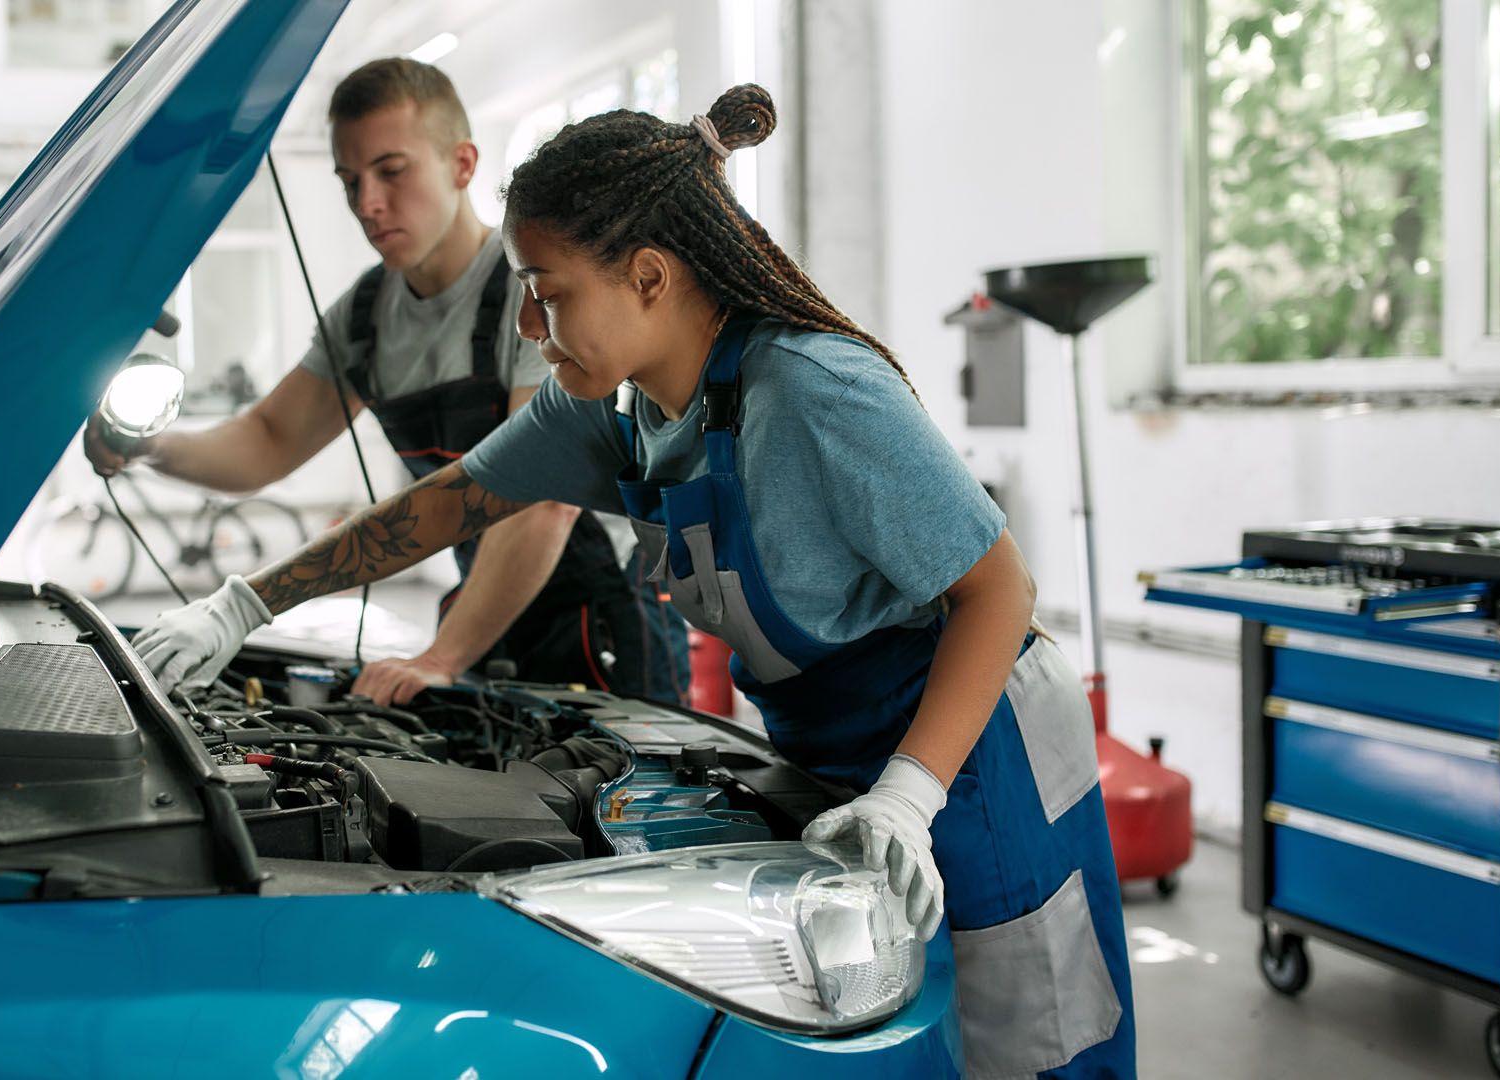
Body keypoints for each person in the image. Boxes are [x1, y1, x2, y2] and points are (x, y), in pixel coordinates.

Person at [129, 84, 1134, 1077]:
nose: (530, 325)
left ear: (650, 278)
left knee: (1028, 1039)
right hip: (839, 747)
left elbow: (999, 593)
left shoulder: (814, 391)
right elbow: (444, 504)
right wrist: (249, 601)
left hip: (976, 744)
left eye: (550, 291)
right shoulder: (612, 411)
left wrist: (911, 795)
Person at [86, 57, 686, 706]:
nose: (368, 204)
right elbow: (267, 438)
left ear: (461, 164)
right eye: (350, 181)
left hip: (602, 626)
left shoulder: (538, 291)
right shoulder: (364, 317)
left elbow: (541, 499)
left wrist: (440, 656)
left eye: (392, 172)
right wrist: (147, 446)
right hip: (481, 621)